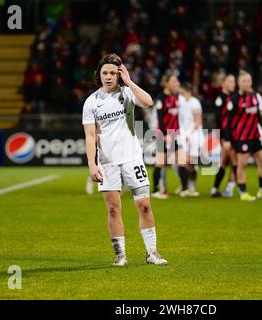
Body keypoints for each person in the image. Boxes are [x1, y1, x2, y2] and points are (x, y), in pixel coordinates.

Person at [83, 53, 168, 266]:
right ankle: (120, 255)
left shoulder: (127, 93)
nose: (109, 76)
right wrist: (92, 164)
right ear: (99, 74)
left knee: (145, 205)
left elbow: (148, 102)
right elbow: (91, 136)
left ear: (119, 74)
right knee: (113, 209)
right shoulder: (91, 102)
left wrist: (129, 82)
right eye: (105, 73)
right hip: (107, 162)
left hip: (132, 158)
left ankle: (152, 253)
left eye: (113, 72)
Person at [226, 71, 262, 201]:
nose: (247, 83)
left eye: (248, 81)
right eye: (244, 81)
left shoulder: (254, 96)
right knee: (242, 164)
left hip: (255, 135)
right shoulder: (234, 99)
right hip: (242, 137)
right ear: (239, 83)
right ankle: (243, 192)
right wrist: (226, 139)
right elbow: (229, 121)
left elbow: (258, 115)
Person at [152, 74, 190, 198]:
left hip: (174, 134)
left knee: (182, 160)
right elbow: (160, 118)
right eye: (174, 81)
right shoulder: (161, 98)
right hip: (162, 134)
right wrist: (165, 134)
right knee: (160, 162)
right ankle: (156, 190)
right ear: (166, 83)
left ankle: (185, 189)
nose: (176, 83)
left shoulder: (176, 97)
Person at [210, 74, 238, 198]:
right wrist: (223, 138)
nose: (233, 84)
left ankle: (217, 188)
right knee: (235, 161)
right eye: (230, 81)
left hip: (235, 133)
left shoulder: (234, 97)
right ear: (224, 83)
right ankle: (229, 189)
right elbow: (218, 120)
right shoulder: (220, 99)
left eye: (234, 81)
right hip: (226, 136)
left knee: (226, 161)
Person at [177, 83, 203, 197]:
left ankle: (191, 186)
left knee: (192, 163)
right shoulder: (181, 102)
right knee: (183, 161)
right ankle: (185, 186)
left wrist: (190, 132)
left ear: (187, 91)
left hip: (194, 135)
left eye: (181, 91)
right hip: (183, 135)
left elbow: (198, 120)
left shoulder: (194, 102)